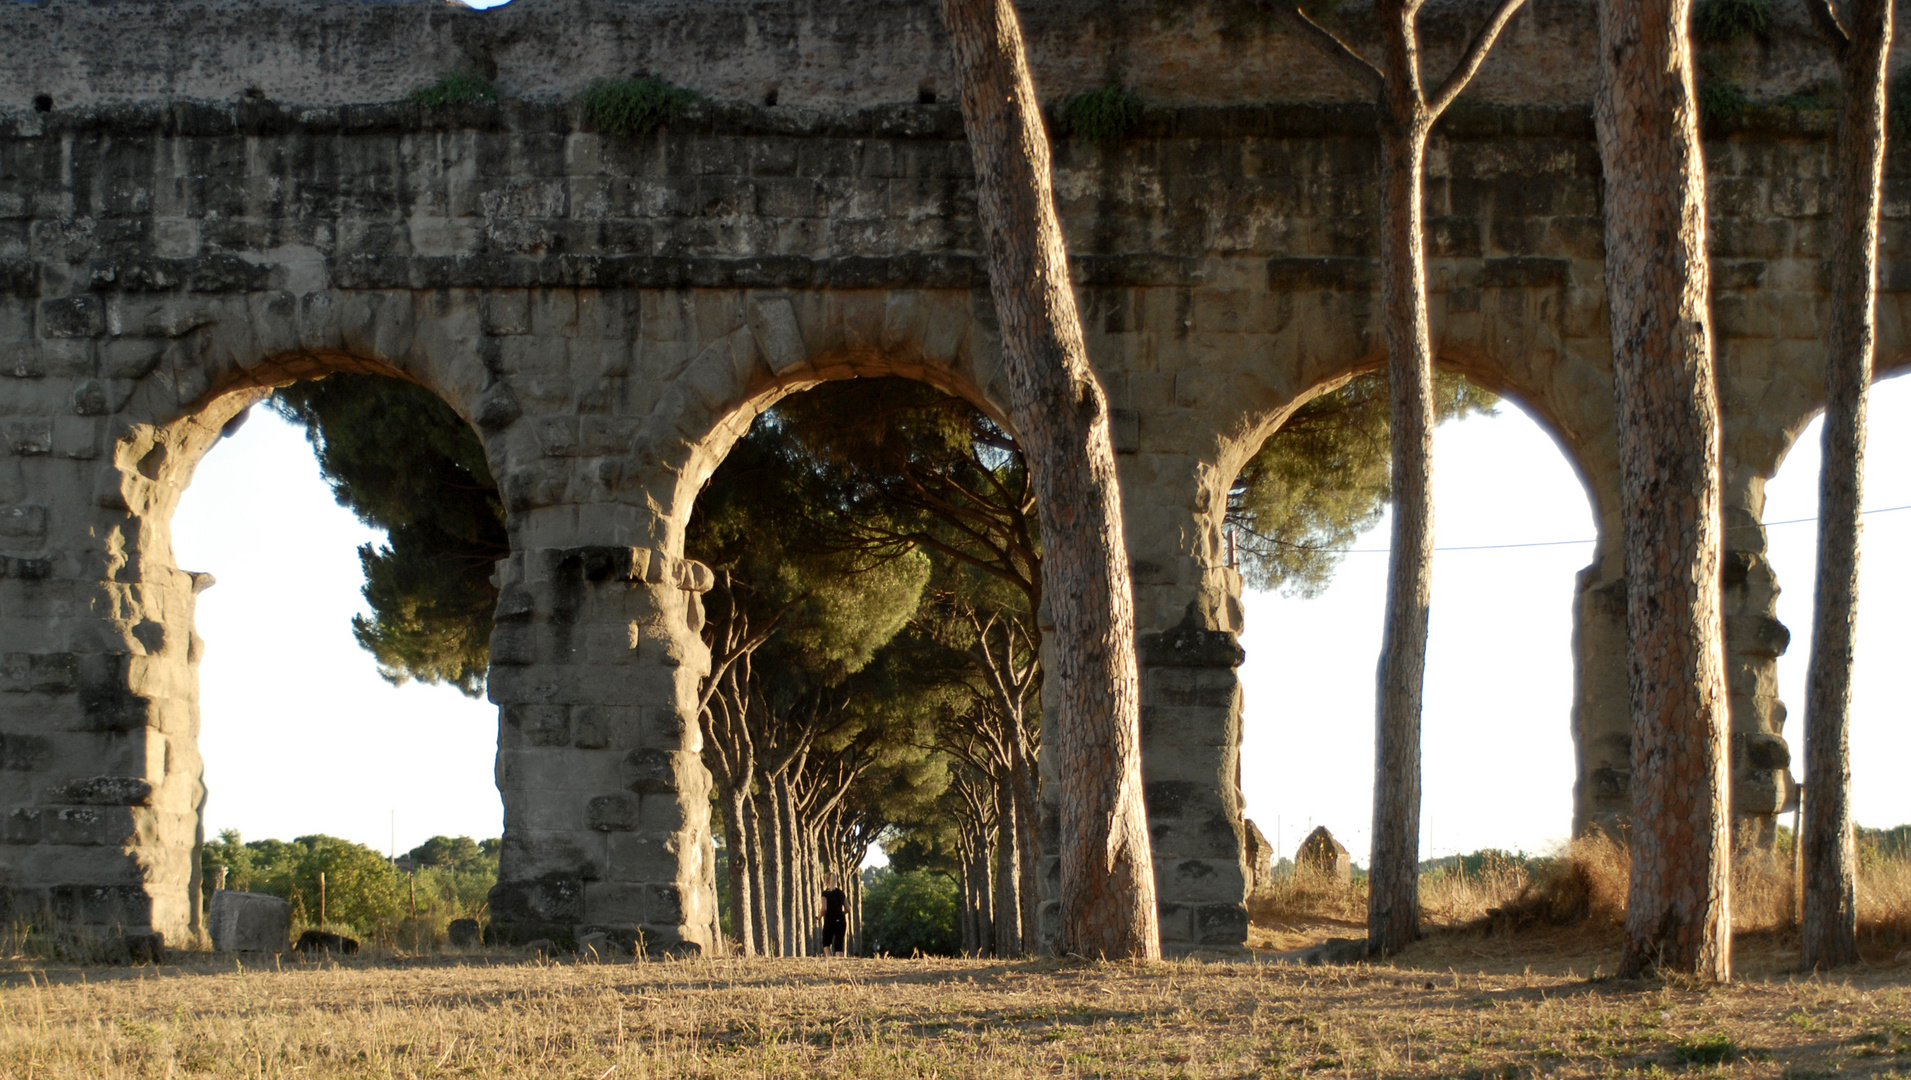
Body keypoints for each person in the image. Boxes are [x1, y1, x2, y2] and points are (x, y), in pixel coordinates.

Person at [820, 880, 848, 956]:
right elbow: (848, 908)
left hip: (830, 920)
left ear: (827, 882)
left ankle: (831, 962)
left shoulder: (825, 894)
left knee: (826, 943)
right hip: (841, 920)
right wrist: (841, 914)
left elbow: (824, 908)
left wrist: (820, 916)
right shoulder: (841, 893)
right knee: (839, 944)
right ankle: (839, 964)